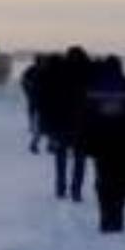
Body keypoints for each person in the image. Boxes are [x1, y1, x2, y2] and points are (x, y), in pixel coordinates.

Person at [80, 55, 125, 234]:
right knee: (120, 182)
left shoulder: (94, 88)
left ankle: (105, 219)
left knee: (103, 180)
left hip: (101, 143)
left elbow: (87, 116)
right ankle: (117, 220)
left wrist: (86, 142)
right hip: (124, 143)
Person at [36, 46, 91, 201]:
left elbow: (47, 99)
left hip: (61, 123)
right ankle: (76, 191)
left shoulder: (58, 73)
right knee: (80, 159)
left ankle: (60, 188)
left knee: (61, 157)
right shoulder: (87, 74)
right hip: (81, 124)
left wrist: (48, 122)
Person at [20, 53, 50, 153]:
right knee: (38, 116)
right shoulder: (33, 70)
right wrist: (28, 92)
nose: (44, 63)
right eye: (42, 61)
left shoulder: (41, 71)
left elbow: (24, 81)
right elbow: (24, 81)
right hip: (36, 98)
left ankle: (39, 140)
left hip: (39, 99)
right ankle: (33, 129)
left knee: (43, 120)